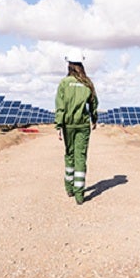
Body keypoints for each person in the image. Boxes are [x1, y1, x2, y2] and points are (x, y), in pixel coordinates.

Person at [54, 50, 98, 204]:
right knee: (81, 157)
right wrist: (94, 119)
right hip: (83, 125)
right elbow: (93, 104)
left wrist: (59, 125)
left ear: (69, 65)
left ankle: (69, 188)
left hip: (68, 125)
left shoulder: (64, 83)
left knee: (70, 154)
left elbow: (60, 106)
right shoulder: (88, 83)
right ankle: (80, 195)